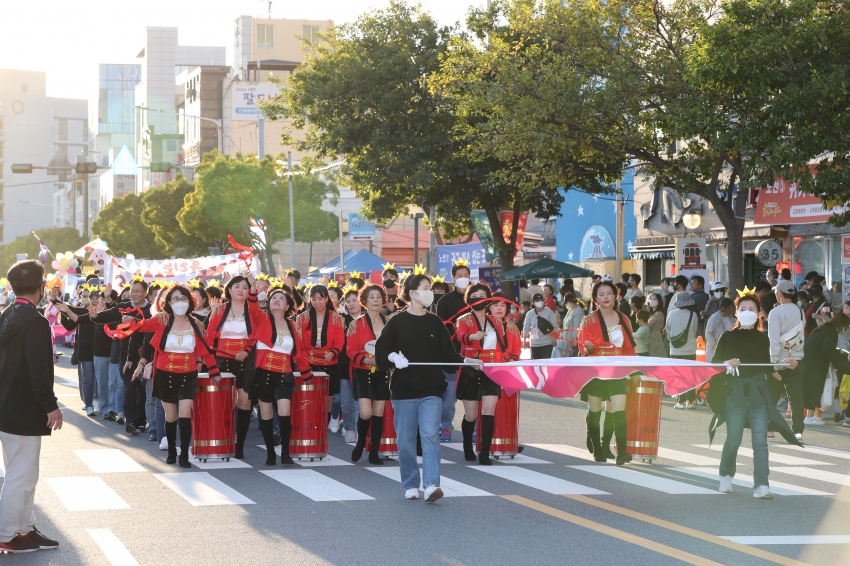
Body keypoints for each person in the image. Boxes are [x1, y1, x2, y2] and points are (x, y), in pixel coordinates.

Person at [376, 273, 476, 502]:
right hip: (403, 390)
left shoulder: (434, 321)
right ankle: (411, 483)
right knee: (406, 440)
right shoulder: (397, 321)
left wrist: (465, 361)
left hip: (431, 390)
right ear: (412, 293)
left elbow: (447, 356)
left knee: (431, 434)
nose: (429, 291)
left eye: (429, 288)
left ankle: (431, 484)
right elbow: (380, 351)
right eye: (425, 288)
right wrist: (392, 356)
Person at [711, 292, 801, 499]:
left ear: (759, 313)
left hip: (758, 393)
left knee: (760, 442)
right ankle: (725, 475)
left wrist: (784, 365)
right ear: (736, 313)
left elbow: (767, 365)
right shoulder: (727, 337)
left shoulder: (762, 339)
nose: (747, 313)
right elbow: (714, 365)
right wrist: (726, 364)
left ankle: (762, 485)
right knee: (733, 439)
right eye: (743, 309)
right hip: (734, 393)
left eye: (751, 309)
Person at [0, 261, 62, 554]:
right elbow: (36, 370)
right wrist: (51, 406)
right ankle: (7, 533)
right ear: (41, 287)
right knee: (20, 475)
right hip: (24, 408)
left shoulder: (8, 314)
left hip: (7, 404)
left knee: (22, 472)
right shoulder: (36, 322)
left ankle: (23, 528)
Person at [126, 284, 220, 466]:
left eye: (183, 298)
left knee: (185, 414)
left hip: (188, 374)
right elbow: (142, 327)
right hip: (164, 374)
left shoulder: (197, 324)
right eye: (175, 298)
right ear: (168, 302)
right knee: (171, 416)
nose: (180, 302)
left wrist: (214, 371)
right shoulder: (161, 320)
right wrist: (130, 320)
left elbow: (205, 350)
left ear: (190, 301)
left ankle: (184, 454)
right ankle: (171, 451)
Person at [456, 288, 521, 464]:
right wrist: (472, 336)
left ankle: (485, 451)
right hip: (472, 369)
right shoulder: (464, 319)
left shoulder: (495, 321)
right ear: (468, 299)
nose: (478, 300)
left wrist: (508, 361)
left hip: (492, 370)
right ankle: (467, 446)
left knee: (488, 411)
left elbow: (504, 345)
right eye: (474, 297)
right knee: (471, 415)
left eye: (482, 297)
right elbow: (460, 336)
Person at [253, 287, 313, 465]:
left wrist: (306, 372)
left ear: (288, 305)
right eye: (273, 298)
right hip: (263, 373)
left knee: (285, 411)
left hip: (284, 374)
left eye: (281, 298)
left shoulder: (292, 325)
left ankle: (285, 452)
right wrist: (253, 292)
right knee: (266, 413)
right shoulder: (262, 318)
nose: (276, 300)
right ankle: (270, 452)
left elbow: (299, 352)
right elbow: (251, 308)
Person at [206, 275, 263, 459]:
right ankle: (225, 438)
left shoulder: (253, 310)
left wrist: (247, 350)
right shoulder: (219, 310)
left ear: (249, 291)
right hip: (223, 360)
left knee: (244, 401)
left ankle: (239, 444)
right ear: (229, 290)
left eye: (245, 287)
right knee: (225, 402)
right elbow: (208, 337)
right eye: (236, 286)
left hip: (246, 360)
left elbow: (259, 335)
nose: (240, 290)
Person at [580, 281, 635, 466]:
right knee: (595, 411)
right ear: (595, 298)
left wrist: (633, 369)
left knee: (619, 411)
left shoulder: (624, 319)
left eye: (609, 293)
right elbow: (583, 345)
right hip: (596, 370)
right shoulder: (588, 320)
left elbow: (629, 348)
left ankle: (622, 451)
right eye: (601, 294)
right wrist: (587, 347)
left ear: (615, 296)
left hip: (618, 369)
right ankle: (597, 448)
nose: (605, 297)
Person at [346, 284, 390, 465]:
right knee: (365, 412)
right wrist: (364, 360)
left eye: (378, 297)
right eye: (371, 297)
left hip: (382, 372)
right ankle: (361, 442)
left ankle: (374, 451)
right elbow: (349, 349)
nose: (375, 300)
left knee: (378, 412)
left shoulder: (388, 322)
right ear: (364, 301)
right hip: (362, 372)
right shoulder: (356, 324)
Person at [295, 285, 346, 433]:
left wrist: (333, 352)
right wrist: (304, 358)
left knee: (329, 395)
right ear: (309, 299)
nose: (317, 302)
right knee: (310, 394)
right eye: (314, 298)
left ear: (326, 299)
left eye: (321, 298)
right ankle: (310, 420)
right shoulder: (302, 317)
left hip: (330, 361)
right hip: (308, 362)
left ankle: (327, 420)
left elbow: (339, 340)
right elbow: (299, 342)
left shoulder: (336, 318)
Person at [435, 260, 473, 441]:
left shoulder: (478, 298)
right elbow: (440, 328)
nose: (463, 279)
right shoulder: (445, 301)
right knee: (449, 397)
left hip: (474, 355)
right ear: (453, 279)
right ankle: (446, 427)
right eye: (459, 276)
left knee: (474, 396)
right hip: (452, 355)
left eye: (466, 276)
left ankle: (474, 430)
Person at [767, 280, 806, 439]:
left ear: (779, 294)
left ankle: (770, 429)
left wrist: (773, 363)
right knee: (796, 397)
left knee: (772, 396)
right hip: (797, 360)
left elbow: (774, 340)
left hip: (781, 361)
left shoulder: (775, 313)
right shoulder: (800, 311)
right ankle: (797, 431)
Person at [802, 312, 850, 426]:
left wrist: (838, 352)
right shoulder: (832, 332)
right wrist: (838, 362)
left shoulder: (823, 328)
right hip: (817, 363)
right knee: (816, 389)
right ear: (841, 324)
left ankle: (811, 416)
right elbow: (828, 348)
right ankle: (809, 417)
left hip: (809, 361)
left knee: (812, 388)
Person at [337, 285, 362, 443]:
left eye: (355, 300)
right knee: (346, 401)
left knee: (360, 401)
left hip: (362, 365)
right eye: (348, 301)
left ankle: (359, 429)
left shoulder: (368, 319)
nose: (352, 303)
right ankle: (349, 428)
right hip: (345, 365)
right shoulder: (341, 321)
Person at [667, 293, 698, 409]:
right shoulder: (693, 315)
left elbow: (668, 330)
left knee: (678, 376)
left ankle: (680, 402)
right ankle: (690, 401)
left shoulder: (671, 314)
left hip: (675, 350)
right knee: (690, 375)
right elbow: (694, 331)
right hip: (690, 349)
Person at [523, 293, 559, 359]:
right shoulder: (529, 313)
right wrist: (524, 340)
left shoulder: (549, 312)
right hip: (534, 343)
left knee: (545, 363)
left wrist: (554, 339)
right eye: (537, 301)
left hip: (547, 342)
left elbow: (555, 326)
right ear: (533, 303)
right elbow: (526, 326)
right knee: (536, 364)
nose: (539, 302)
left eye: (541, 300)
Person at [705, 298, 736, 362]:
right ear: (723, 308)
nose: (731, 311)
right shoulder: (714, 318)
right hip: (713, 351)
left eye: (732, 309)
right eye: (729, 309)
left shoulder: (731, 318)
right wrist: (715, 345)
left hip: (727, 351)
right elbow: (708, 333)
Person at [646, 293, 667, 358]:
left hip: (655, 337)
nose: (652, 301)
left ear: (659, 301)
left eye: (654, 299)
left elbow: (648, 324)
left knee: (656, 356)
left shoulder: (658, 314)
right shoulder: (652, 313)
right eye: (651, 299)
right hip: (651, 337)